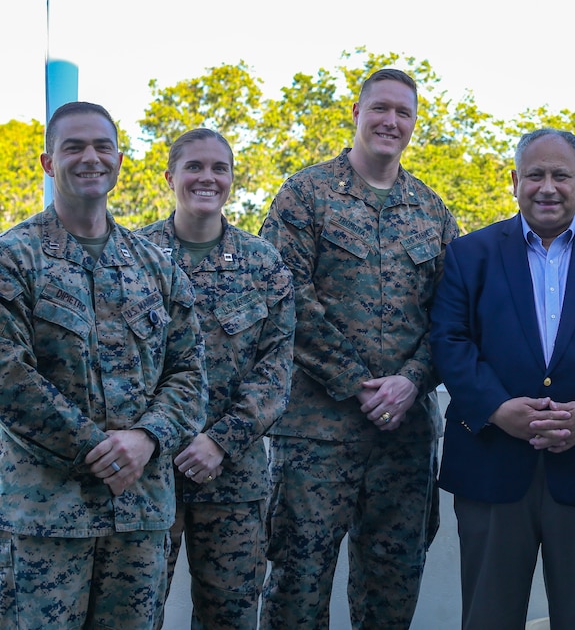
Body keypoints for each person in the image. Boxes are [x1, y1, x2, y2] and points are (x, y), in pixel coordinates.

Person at [431, 128, 575, 630]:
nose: (547, 187)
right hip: (493, 463)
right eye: (534, 175)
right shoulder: (470, 255)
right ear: (514, 181)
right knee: (488, 618)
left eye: (561, 175)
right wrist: (496, 408)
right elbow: (450, 340)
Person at [258, 68, 459, 629]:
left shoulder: (433, 211)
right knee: (298, 587)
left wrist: (411, 380)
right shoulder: (306, 194)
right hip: (316, 434)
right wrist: (358, 382)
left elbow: (453, 316)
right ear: (356, 113)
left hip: (405, 435)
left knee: (392, 592)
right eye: (380, 109)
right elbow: (283, 295)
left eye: (404, 113)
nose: (390, 122)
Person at [0, 101, 207, 627]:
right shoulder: (14, 257)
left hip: (140, 516)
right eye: (74, 147)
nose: (89, 157)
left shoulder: (154, 267)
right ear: (49, 163)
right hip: (48, 518)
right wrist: (97, 449)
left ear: (118, 159)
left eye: (101, 146)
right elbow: (8, 375)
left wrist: (146, 438)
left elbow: (188, 372)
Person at [138, 128, 295, 629]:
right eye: (194, 167)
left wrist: (220, 442)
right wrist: (159, 437)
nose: (207, 178)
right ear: (170, 177)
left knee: (229, 619)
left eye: (219, 168)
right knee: (135, 616)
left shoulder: (263, 265)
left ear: (232, 179)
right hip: (147, 474)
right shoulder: (132, 258)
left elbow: (276, 369)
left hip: (233, 479)